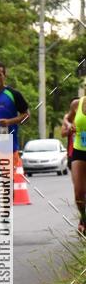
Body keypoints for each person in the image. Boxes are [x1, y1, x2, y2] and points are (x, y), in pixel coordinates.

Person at [62, 95, 86, 234]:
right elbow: (67, 118)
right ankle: (84, 218)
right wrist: (69, 125)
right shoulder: (77, 103)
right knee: (79, 193)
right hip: (79, 150)